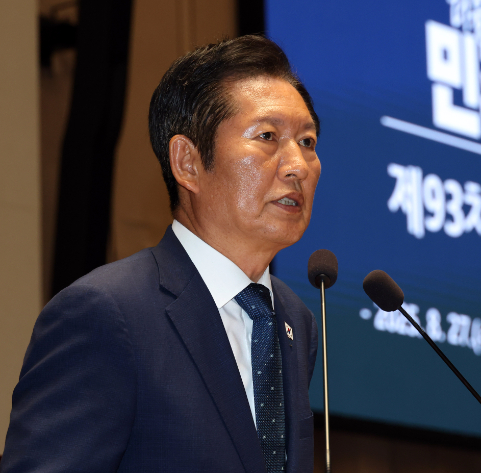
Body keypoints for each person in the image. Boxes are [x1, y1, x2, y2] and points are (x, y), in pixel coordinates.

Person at [0, 36, 321, 473]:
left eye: (307, 141)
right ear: (187, 162)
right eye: (267, 136)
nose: (299, 165)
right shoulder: (107, 313)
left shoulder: (294, 319)